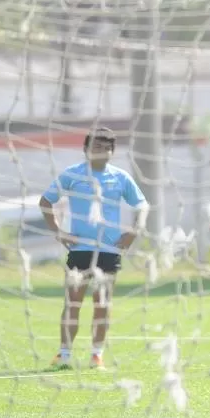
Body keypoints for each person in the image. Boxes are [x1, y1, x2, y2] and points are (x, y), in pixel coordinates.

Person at [39, 127, 149, 370]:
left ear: (113, 152)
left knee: (102, 303)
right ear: (86, 150)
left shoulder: (120, 178)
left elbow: (142, 205)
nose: (102, 151)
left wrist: (134, 230)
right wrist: (58, 231)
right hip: (79, 250)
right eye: (96, 147)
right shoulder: (72, 175)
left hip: (109, 251)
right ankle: (64, 354)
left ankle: (96, 355)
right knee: (73, 302)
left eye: (107, 148)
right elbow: (45, 201)